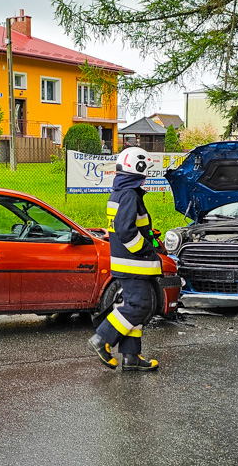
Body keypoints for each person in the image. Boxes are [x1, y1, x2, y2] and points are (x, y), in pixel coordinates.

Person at [88, 147, 161, 372]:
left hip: (125, 263)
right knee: (140, 306)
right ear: (136, 168)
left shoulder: (120, 192)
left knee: (134, 306)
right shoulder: (129, 194)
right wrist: (147, 249)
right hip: (134, 264)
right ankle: (102, 339)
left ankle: (131, 357)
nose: (147, 174)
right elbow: (126, 231)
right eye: (146, 169)